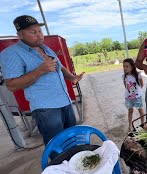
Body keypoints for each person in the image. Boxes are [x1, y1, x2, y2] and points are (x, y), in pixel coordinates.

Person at [0, 15, 85, 146]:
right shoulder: (10, 54)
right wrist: (40, 70)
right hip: (46, 108)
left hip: (65, 101)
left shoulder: (46, 48)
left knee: (72, 139)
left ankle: (74, 164)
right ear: (20, 35)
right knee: (57, 146)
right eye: (33, 32)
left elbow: (59, 67)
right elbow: (11, 85)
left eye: (39, 31)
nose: (39, 35)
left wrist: (72, 78)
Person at [122, 58, 145, 131]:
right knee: (130, 111)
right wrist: (130, 93)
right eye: (124, 66)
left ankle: (143, 124)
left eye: (127, 66)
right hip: (128, 97)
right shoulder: (124, 76)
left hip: (137, 97)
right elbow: (126, 86)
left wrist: (137, 92)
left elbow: (142, 84)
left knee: (140, 109)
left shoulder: (138, 74)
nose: (125, 68)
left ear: (132, 66)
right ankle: (130, 126)